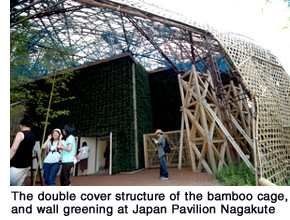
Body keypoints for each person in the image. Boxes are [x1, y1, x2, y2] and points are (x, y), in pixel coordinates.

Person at [10, 117, 36, 186]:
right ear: (31, 126)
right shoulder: (33, 135)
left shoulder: (20, 134)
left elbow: (13, 148)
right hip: (27, 164)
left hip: (17, 164)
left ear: (20, 125)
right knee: (18, 185)